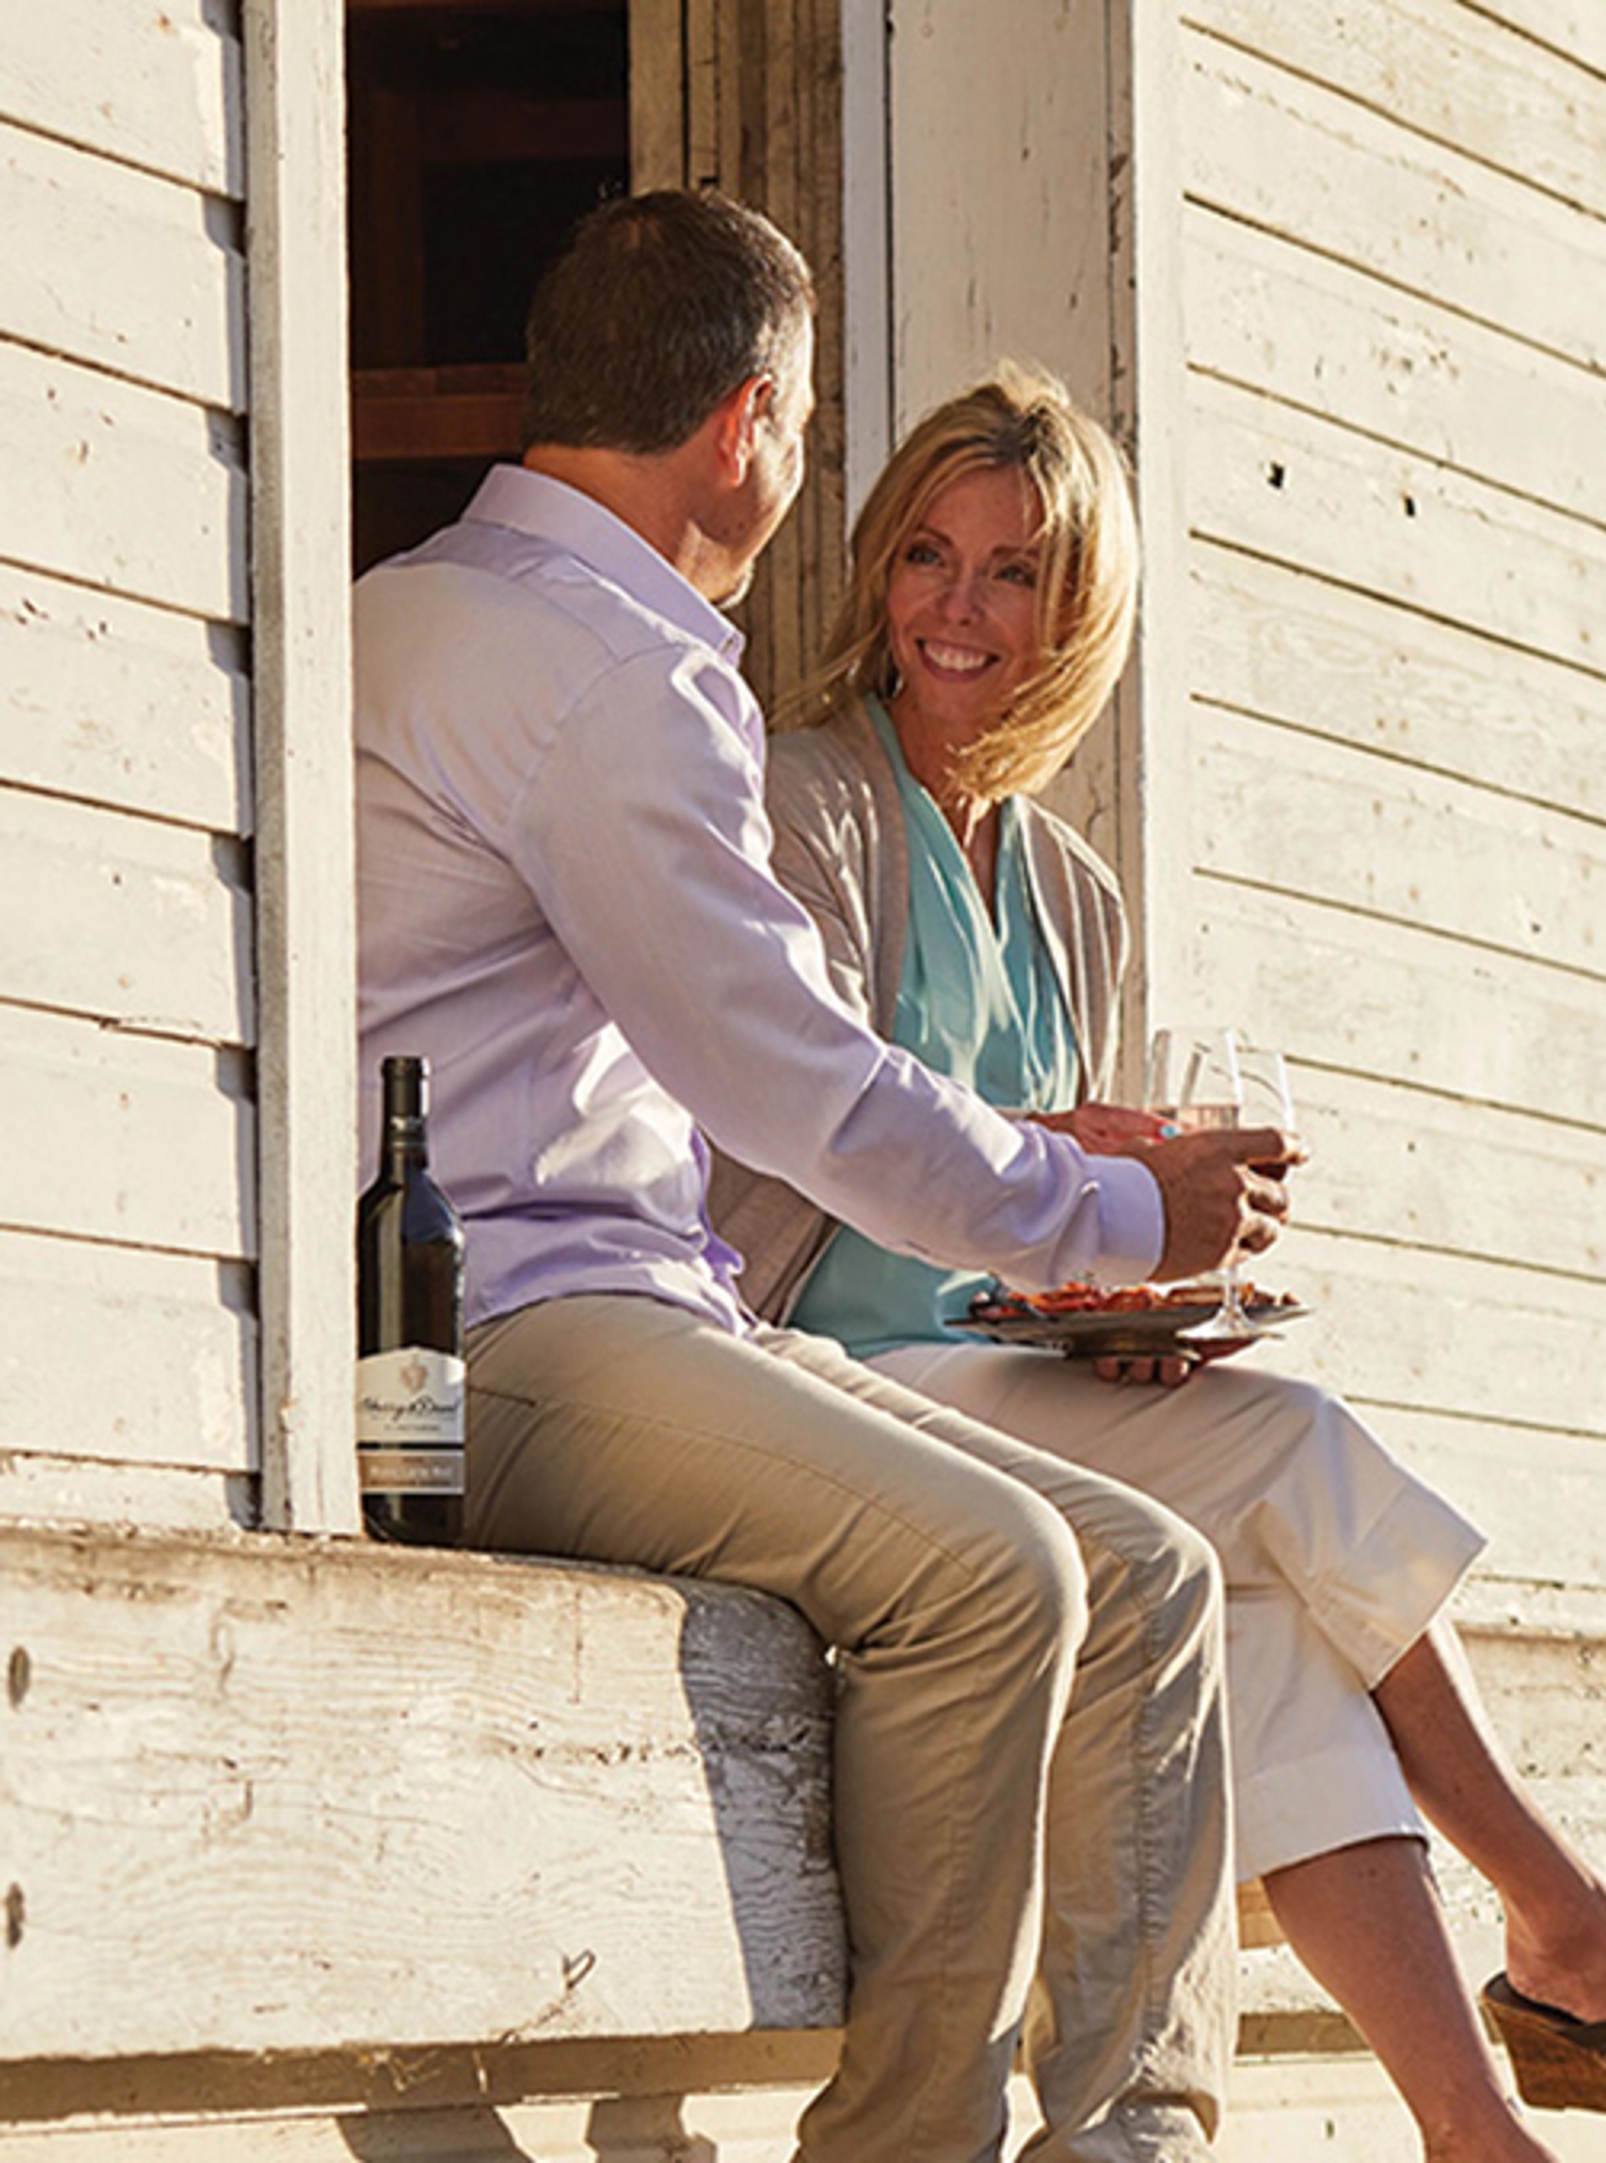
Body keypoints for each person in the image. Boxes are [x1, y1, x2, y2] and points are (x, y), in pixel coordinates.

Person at [703, 366, 1606, 2156]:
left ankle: (1472, 2127)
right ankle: (1563, 1919)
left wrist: (1133, 1316)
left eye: (1013, 574)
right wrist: (1094, 1169)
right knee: (1292, 1445)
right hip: (825, 1383)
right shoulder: (802, 803)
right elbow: (823, 1118)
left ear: (1079, 616)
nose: (958, 611)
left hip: (1015, 1399)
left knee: (1273, 1631)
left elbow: (1061, 1229)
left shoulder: (1076, 897)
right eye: (928, 555)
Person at [353, 193, 1296, 2163]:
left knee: (1154, 1570)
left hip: (624, 1311)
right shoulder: (601, 669)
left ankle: (1134, 2134)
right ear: (751, 423)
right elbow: (793, 1082)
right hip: (512, 1331)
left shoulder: (431, 605)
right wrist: (1124, 1214)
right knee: (1005, 1566)